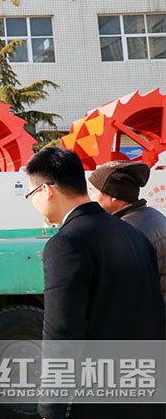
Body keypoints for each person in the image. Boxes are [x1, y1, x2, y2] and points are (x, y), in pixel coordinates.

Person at [25, 147, 165, 419]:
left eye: (31, 194)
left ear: (46, 190)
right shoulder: (132, 233)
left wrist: (51, 408)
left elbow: (62, 335)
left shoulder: (67, 243)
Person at [88, 160, 166, 304]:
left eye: (94, 192)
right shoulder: (154, 215)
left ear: (113, 196)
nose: (91, 198)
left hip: (144, 319)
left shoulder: (123, 230)